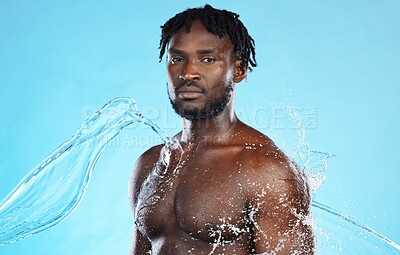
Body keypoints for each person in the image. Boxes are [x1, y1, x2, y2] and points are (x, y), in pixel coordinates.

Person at [129, 4, 315, 254]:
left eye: (207, 59)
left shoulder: (266, 170)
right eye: (177, 59)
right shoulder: (150, 163)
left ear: (237, 70)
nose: (188, 73)